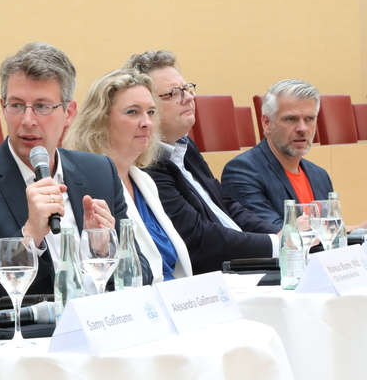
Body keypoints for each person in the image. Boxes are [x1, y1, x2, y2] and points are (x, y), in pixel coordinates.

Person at [0, 42, 152, 316]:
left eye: (42, 107)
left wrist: (104, 249)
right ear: (3, 107)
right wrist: (29, 238)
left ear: (69, 112)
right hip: (27, 346)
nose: (27, 120)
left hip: (104, 334)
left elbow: (145, 277)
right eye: (16, 105)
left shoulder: (99, 171)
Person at [125, 51, 280, 275]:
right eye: (173, 94)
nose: (188, 97)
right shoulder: (146, 163)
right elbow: (197, 238)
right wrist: (274, 244)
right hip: (215, 275)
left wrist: (282, 235)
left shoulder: (185, 146)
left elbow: (225, 204)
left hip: (245, 263)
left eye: (187, 88)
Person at [63, 69, 192, 282]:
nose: (147, 122)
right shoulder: (88, 187)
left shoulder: (145, 181)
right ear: (100, 120)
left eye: (151, 112)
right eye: (133, 112)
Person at [222, 79, 367, 232]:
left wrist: (358, 230)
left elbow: (329, 234)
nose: (302, 128)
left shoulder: (319, 174)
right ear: (266, 123)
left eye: (309, 119)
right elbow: (278, 233)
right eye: (290, 119)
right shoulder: (242, 171)